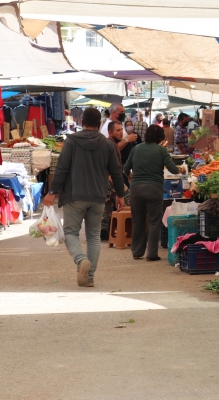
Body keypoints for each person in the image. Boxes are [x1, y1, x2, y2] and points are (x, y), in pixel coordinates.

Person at [44, 108, 125, 287]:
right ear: (99, 124)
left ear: (82, 122)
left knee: (71, 232)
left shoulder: (72, 141)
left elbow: (62, 169)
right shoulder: (107, 144)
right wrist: (120, 195)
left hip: (74, 195)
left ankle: (81, 260)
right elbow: (116, 172)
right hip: (98, 195)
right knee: (94, 236)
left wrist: (52, 192)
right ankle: (89, 277)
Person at [124, 125, 185, 261]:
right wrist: (181, 169)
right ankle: (151, 254)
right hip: (154, 189)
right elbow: (173, 170)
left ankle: (137, 252)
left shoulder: (136, 148)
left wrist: (129, 176)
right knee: (153, 222)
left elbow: (126, 168)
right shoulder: (161, 150)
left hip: (136, 189)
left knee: (138, 221)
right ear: (160, 138)